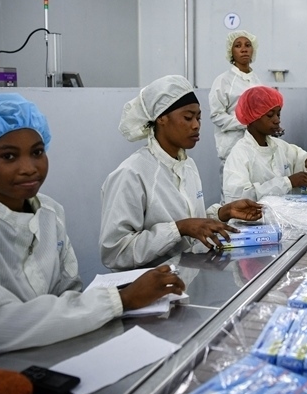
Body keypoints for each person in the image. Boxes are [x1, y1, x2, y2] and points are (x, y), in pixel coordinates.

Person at [0, 94, 184, 390]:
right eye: (9, 157)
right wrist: (119, 300)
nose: (29, 167)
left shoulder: (50, 212)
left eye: (37, 152)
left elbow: (67, 291)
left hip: (46, 362)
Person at [100, 75, 264, 271]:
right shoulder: (131, 174)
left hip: (184, 274)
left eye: (198, 118)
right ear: (161, 118)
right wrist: (179, 228)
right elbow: (115, 253)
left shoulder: (187, 166)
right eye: (188, 118)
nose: (196, 125)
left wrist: (223, 213)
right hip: (146, 282)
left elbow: (193, 221)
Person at [223, 86, 307, 203]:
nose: (277, 120)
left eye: (278, 114)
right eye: (270, 115)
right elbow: (239, 198)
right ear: (252, 117)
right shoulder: (240, 154)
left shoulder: (279, 146)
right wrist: (288, 182)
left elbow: (300, 158)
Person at [209, 31, 262, 165]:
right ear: (231, 52)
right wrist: (245, 123)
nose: (244, 49)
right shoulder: (223, 80)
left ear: (253, 50)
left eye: (248, 45)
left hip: (256, 147)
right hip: (232, 147)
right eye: (238, 46)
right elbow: (216, 115)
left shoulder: (257, 82)